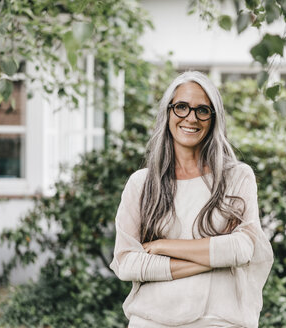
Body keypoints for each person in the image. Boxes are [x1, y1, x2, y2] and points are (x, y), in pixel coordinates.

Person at [109, 71, 274, 328]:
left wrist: (162, 245)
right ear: (168, 112)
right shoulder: (141, 184)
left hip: (219, 321)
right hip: (151, 321)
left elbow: (242, 249)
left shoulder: (237, 177)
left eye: (202, 110)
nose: (191, 118)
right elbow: (126, 263)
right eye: (182, 107)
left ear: (213, 118)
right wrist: (216, 259)